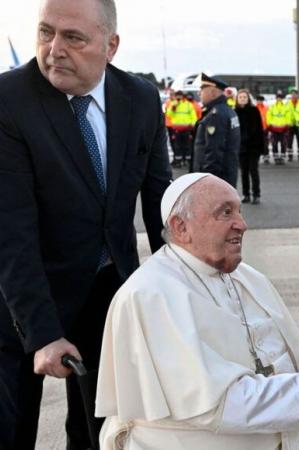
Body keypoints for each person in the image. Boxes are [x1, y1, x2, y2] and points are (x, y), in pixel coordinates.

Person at [0, 0, 172, 448]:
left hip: (107, 296)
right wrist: (43, 334)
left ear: (111, 45)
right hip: (17, 305)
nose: (54, 49)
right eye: (45, 32)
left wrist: (182, 293)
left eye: (73, 38)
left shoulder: (140, 99)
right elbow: (11, 231)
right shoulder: (8, 101)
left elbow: (160, 205)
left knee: (103, 436)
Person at [96, 173, 299, 450]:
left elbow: (293, 362)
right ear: (181, 227)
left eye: (239, 212)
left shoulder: (249, 278)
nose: (242, 224)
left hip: (290, 435)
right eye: (225, 213)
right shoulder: (150, 295)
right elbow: (219, 405)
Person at [193, 73, 241, 188]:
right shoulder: (228, 111)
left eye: (202, 90)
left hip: (215, 182)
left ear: (213, 93)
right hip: (226, 178)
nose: (199, 93)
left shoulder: (216, 115)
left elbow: (213, 153)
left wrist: (207, 183)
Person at [235, 89, 264, 204]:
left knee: (253, 171)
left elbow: (260, 130)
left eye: (244, 97)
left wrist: (261, 147)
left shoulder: (254, 111)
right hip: (241, 147)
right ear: (237, 99)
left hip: (253, 147)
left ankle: (256, 194)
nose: (242, 99)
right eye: (240, 97)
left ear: (248, 99)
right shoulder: (234, 112)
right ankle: (246, 194)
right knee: (244, 172)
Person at [166, 90, 198, 168]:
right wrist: (174, 106)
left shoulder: (188, 104)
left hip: (187, 128)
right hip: (176, 129)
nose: (179, 97)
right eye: (177, 95)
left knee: (187, 145)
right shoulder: (173, 104)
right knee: (177, 146)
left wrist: (193, 124)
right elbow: (169, 114)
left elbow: (194, 116)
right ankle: (178, 161)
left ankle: (187, 161)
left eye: (180, 95)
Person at [267, 90, 292, 165]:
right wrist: (270, 125)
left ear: (282, 99)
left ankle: (283, 158)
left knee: (283, 144)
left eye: (280, 98)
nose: (279, 99)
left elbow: (288, 117)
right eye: (278, 97)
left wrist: (287, 124)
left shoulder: (286, 107)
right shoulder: (272, 107)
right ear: (276, 98)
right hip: (274, 129)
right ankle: (276, 158)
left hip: (283, 129)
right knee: (274, 144)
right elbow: (268, 116)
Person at [286, 88, 299, 162]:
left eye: (295, 94)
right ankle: (290, 157)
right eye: (292, 94)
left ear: (297, 95)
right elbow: (285, 114)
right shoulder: (287, 103)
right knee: (289, 142)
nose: (294, 95)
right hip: (290, 125)